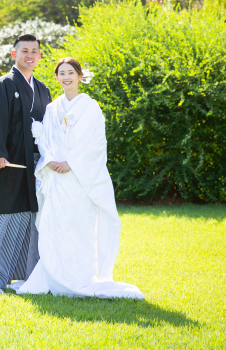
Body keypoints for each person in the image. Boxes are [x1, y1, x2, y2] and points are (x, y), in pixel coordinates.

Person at [17, 57, 144, 299]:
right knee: (56, 226)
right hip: (56, 177)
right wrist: (51, 159)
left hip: (79, 178)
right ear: (56, 78)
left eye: (70, 73)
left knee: (79, 227)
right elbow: (47, 139)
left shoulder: (91, 107)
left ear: (79, 76)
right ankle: (54, 274)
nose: (66, 77)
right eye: (61, 73)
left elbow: (95, 144)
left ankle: (80, 276)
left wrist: (71, 163)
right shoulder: (52, 108)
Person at [0, 34, 53, 294]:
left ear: (39, 56)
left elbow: (49, 129)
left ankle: (22, 276)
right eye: (24, 50)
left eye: (35, 51)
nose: (30, 55)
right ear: (14, 54)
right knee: (2, 220)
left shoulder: (42, 89)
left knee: (29, 222)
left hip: (33, 168)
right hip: (7, 166)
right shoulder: (4, 84)